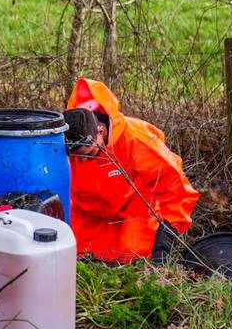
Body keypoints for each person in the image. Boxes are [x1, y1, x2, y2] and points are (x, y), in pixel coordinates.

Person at [63, 78, 200, 264]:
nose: (82, 161)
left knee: (132, 258)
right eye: (77, 157)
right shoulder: (65, 139)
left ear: (100, 131)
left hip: (133, 212)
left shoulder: (136, 140)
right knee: (66, 253)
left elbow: (175, 188)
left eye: (87, 154)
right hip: (87, 213)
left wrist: (168, 232)